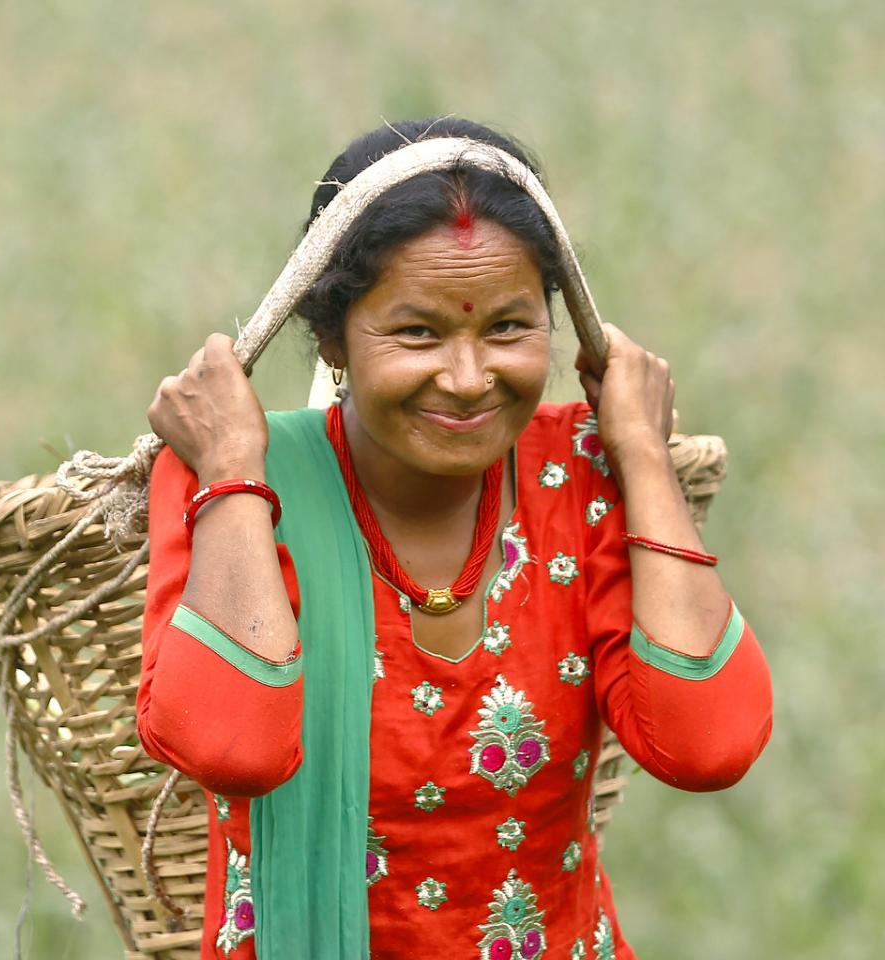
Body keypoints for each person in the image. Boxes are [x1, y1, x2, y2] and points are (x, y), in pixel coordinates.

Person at [136, 116, 773, 959]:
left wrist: (642, 454)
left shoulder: (581, 475)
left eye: (508, 328)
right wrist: (229, 469)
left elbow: (708, 743)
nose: (470, 380)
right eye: (418, 333)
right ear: (330, 336)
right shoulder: (239, 483)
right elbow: (234, 747)